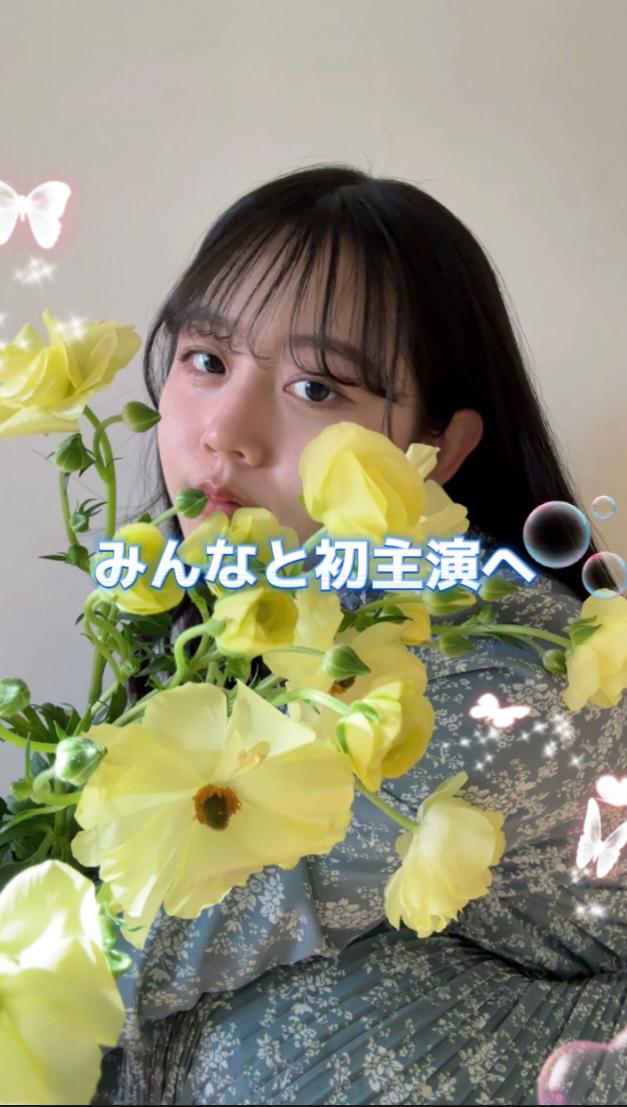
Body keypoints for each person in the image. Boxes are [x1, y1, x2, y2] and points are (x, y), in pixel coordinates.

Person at [94, 165, 627, 1106]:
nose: (225, 432)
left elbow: (120, 957)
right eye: (206, 359)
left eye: (315, 385)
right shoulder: (232, 622)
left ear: (439, 449)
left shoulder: (480, 676)